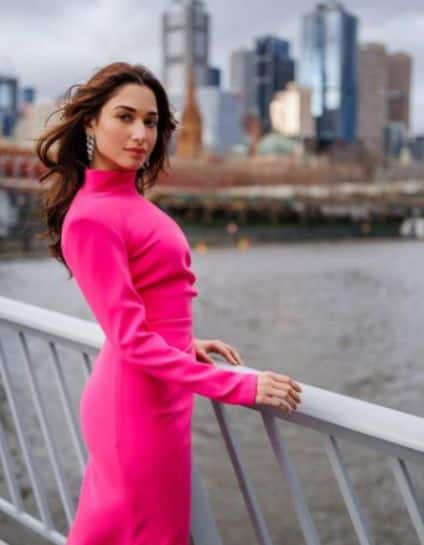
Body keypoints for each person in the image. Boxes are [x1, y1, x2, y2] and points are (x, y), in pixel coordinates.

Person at [35, 62, 304, 545]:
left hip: (159, 397)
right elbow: (131, 340)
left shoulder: (129, 200)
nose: (141, 134)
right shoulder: (91, 219)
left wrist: (184, 340)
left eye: (152, 122)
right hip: (134, 409)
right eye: (125, 117)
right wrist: (240, 388)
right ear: (91, 122)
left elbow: (149, 300)